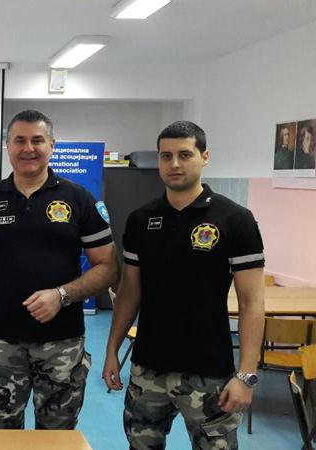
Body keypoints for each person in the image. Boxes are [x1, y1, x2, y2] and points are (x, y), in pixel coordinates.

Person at [103, 120, 265, 450]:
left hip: (209, 372)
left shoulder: (235, 219)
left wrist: (246, 375)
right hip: (148, 369)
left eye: (185, 154)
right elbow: (130, 292)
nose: (174, 164)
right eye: (166, 156)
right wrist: (112, 351)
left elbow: (252, 302)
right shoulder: (140, 219)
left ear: (204, 157)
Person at [0, 109, 118, 430]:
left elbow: (107, 267)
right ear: (7, 146)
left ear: (52, 145)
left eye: (37, 140)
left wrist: (62, 295)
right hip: (1, 343)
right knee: (0, 436)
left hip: (62, 343)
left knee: (57, 437)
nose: (28, 148)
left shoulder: (79, 199)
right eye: (19, 140)